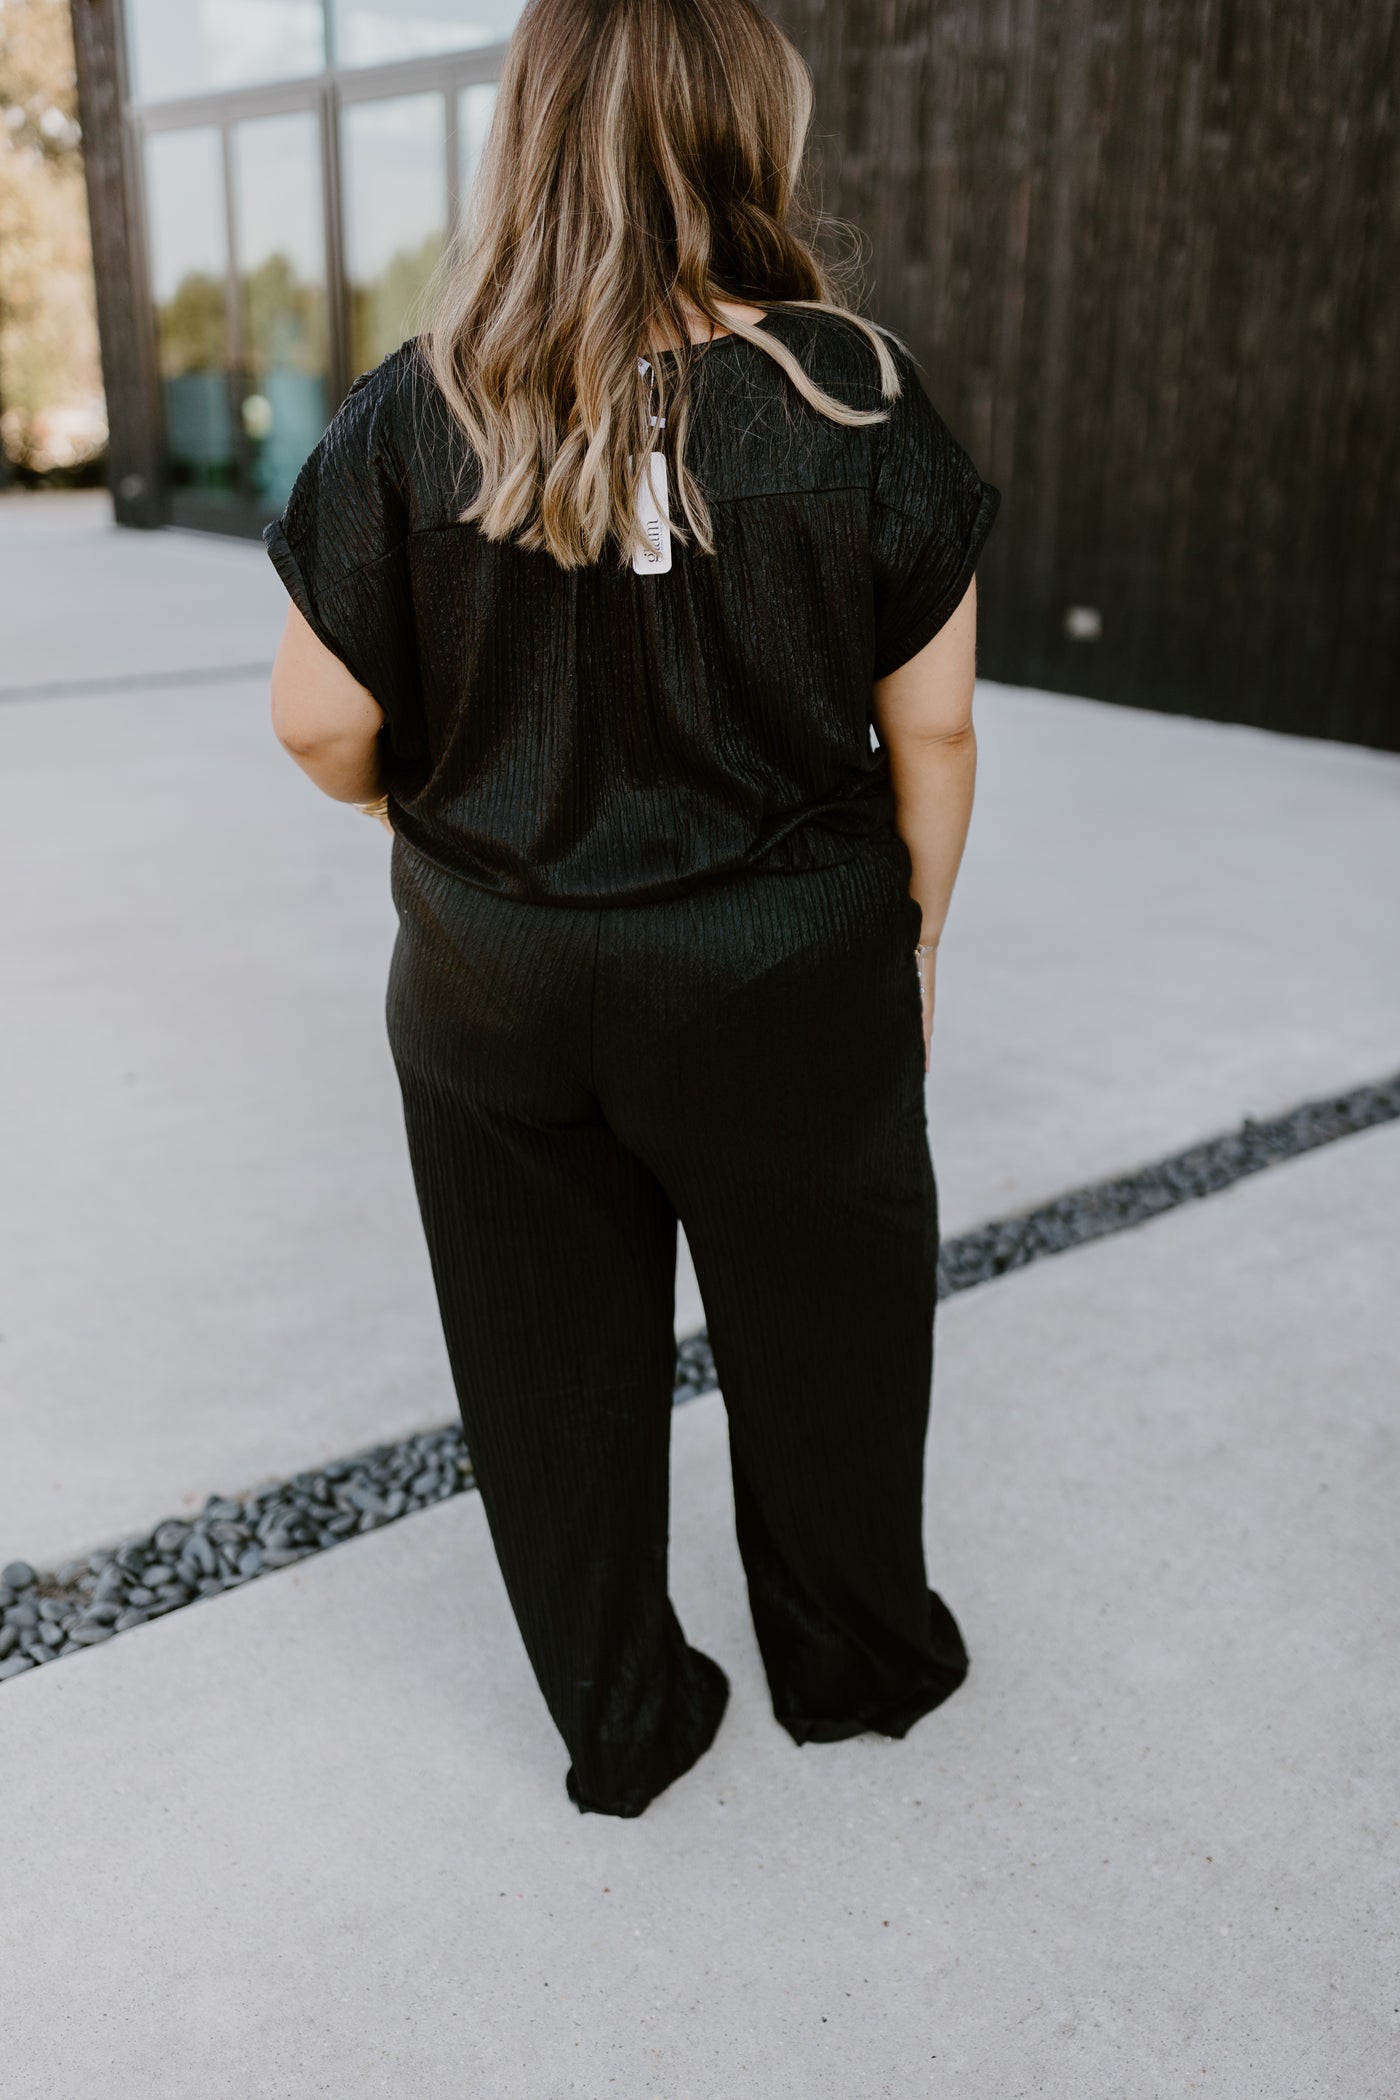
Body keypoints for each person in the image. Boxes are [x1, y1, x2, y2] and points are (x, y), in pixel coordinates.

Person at [264, 0, 999, 1819]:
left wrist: (427, 818)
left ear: (527, 131)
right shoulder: (855, 390)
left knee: (546, 1367)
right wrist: (911, 941)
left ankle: (624, 1715)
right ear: (751, 129)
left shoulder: (416, 409)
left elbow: (314, 718)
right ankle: (852, 1658)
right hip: (778, 976)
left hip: (496, 983)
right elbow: (940, 726)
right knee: (827, 1324)